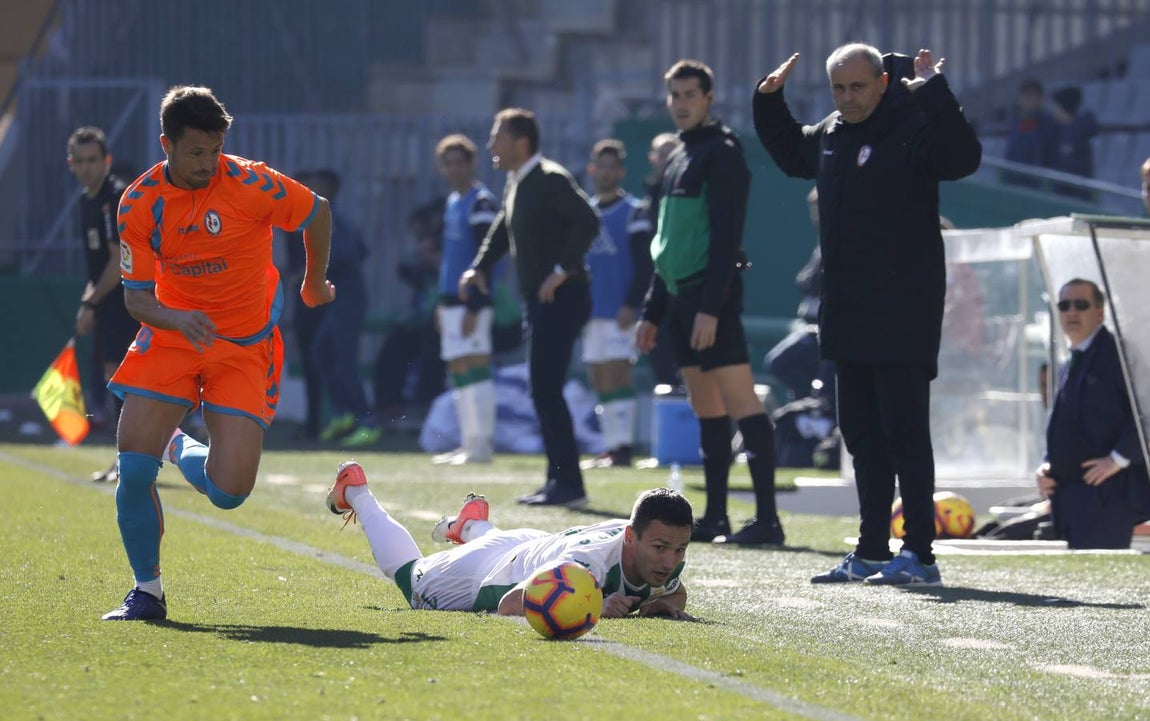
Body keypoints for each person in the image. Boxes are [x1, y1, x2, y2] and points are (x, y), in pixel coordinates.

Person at [102, 85, 334, 620]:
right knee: (133, 467)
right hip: (172, 335)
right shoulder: (139, 203)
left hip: (245, 348)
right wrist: (178, 318)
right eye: (196, 153)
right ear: (167, 144)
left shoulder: (251, 182)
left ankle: (181, 448)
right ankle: (147, 591)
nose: (209, 164)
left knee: (229, 493)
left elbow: (316, 213)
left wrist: (315, 282)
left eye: (215, 150)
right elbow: (136, 299)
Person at [754, 45, 981, 584]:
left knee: (905, 434)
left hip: (903, 311)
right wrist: (768, 100)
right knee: (861, 436)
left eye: (857, 87)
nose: (848, 98)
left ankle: (921, 555)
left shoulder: (914, 124)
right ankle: (872, 549)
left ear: (882, 82)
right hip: (847, 311)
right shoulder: (832, 133)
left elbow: (963, 158)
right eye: (838, 88)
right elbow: (790, 153)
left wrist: (935, 92)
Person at [636, 60, 784, 546]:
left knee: (743, 404)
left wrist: (710, 308)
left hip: (708, 300)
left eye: (689, 95)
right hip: (679, 302)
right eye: (674, 95)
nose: (681, 103)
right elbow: (666, 241)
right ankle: (716, 516)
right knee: (706, 409)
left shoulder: (722, 153)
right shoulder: (678, 154)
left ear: (709, 98)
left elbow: (725, 240)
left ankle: (768, 520)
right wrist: (653, 311)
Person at [325, 461, 696, 620]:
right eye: (660, 548)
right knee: (408, 575)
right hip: (494, 573)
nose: (668, 560)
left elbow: (675, 591)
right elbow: (509, 604)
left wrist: (666, 605)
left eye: (678, 549)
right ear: (630, 537)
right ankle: (355, 489)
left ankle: (471, 526)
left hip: (531, 546)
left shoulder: (663, 548)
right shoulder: (584, 565)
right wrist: (595, 606)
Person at [460, 108, 599, 507]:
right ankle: (559, 480)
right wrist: (479, 268)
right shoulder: (517, 181)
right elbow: (503, 228)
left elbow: (588, 221)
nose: (491, 146)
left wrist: (561, 269)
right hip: (541, 301)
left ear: (521, 143)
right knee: (543, 389)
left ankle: (568, 484)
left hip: (562, 298)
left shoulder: (549, 178)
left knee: (545, 388)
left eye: (497, 137)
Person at [1035, 279, 1150, 548]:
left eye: (1081, 304)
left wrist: (1117, 459)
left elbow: (1145, 412)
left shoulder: (1119, 354)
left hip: (1109, 497)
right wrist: (1046, 464)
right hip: (1071, 499)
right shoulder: (1069, 360)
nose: (1071, 312)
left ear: (1100, 312)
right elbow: (1063, 424)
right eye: (1064, 305)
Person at [66, 126, 138, 483]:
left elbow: (117, 262)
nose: (86, 167)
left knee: (123, 380)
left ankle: (133, 461)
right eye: (79, 161)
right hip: (108, 302)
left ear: (106, 161)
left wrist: (90, 304)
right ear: (71, 164)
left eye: (93, 160)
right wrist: (90, 302)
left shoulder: (114, 197)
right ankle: (129, 460)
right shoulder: (86, 199)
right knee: (117, 380)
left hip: (128, 301)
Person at [580, 139, 653, 470]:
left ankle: (624, 447)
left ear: (621, 172)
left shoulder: (634, 211)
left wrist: (632, 303)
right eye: (601, 166)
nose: (606, 173)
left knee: (618, 374)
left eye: (613, 167)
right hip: (590, 309)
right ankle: (610, 445)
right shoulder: (585, 211)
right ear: (591, 169)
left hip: (619, 310)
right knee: (598, 376)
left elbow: (643, 264)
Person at [296, 170, 378, 448]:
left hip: (348, 297)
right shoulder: (324, 218)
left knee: (344, 360)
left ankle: (368, 423)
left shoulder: (330, 218)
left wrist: (315, 268)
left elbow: (350, 254)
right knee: (322, 352)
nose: (307, 189)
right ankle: (343, 412)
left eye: (315, 186)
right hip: (336, 298)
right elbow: (362, 250)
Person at [431, 134, 499, 465]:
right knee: (459, 368)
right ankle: (468, 442)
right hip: (450, 301)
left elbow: (488, 259)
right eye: (448, 162)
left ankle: (482, 444)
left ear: (472, 163)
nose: (454, 168)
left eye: (461, 161)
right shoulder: (452, 202)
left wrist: (475, 304)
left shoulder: (482, 203)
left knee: (476, 366)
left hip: (472, 301)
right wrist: (442, 303)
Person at [372, 202, 447, 425]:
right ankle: (388, 406)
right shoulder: (426, 276)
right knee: (397, 340)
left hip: (485, 327)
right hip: (433, 327)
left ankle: (428, 408)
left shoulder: (454, 270)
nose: (421, 257)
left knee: (431, 344)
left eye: (427, 252)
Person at [638, 132, 682, 389]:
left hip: (681, 296)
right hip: (654, 299)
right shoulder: (646, 202)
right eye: (661, 154)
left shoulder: (689, 195)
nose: (666, 160)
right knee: (662, 372)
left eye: (671, 154)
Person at [1002, 79, 1057, 188]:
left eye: (1031, 97)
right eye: (1024, 97)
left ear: (1040, 100)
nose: (1027, 101)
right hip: (1013, 183)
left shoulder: (1049, 124)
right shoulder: (1015, 122)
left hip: (1037, 186)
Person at [1049, 86, 1099, 199]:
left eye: (1056, 106)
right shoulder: (1059, 131)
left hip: (1076, 195)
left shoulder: (1078, 132)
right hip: (1063, 192)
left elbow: (1071, 168)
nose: (1053, 110)